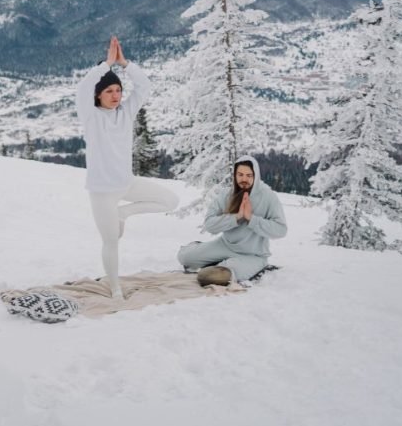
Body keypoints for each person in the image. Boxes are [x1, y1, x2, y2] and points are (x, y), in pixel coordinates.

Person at [76, 36, 179, 300]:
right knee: (111, 242)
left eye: (118, 90)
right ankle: (115, 287)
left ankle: (125, 213)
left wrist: (125, 64)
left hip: (127, 184)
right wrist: (106, 66)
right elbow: (83, 88)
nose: (115, 96)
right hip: (102, 192)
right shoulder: (91, 115)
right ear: (98, 94)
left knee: (170, 200)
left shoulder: (126, 112)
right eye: (109, 91)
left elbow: (144, 86)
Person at [177, 155, 287, 286]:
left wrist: (251, 219)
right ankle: (199, 248)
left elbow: (281, 230)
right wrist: (236, 217)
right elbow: (209, 225)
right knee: (184, 257)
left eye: (249, 175)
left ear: (255, 176)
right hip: (225, 245)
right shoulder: (226, 195)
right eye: (240, 174)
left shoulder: (268, 196)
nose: (244, 179)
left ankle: (223, 265)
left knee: (214, 277)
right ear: (235, 175)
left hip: (253, 256)